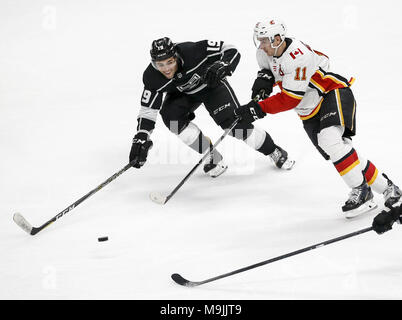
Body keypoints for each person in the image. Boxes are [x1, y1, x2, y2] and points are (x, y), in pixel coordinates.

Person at [235, 19, 401, 218]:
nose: (260, 45)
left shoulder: (298, 56)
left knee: (330, 141)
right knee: (339, 152)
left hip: (331, 93)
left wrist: (257, 109)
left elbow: (289, 99)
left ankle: (362, 191)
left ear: (277, 39)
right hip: (307, 110)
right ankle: (388, 189)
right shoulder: (263, 52)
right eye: (259, 40)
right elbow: (269, 70)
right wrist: (263, 82)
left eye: (264, 41)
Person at [129, 37, 295, 178]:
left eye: (170, 62)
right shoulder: (151, 76)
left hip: (212, 87)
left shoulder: (193, 51)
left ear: (176, 55)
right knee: (171, 118)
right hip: (184, 95)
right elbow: (148, 110)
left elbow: (231, 50)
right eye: (160, 64)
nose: (166, 68)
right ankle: (211, 156)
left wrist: (223, 64)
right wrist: (141, 136)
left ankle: (273, 150)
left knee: (235, 126)